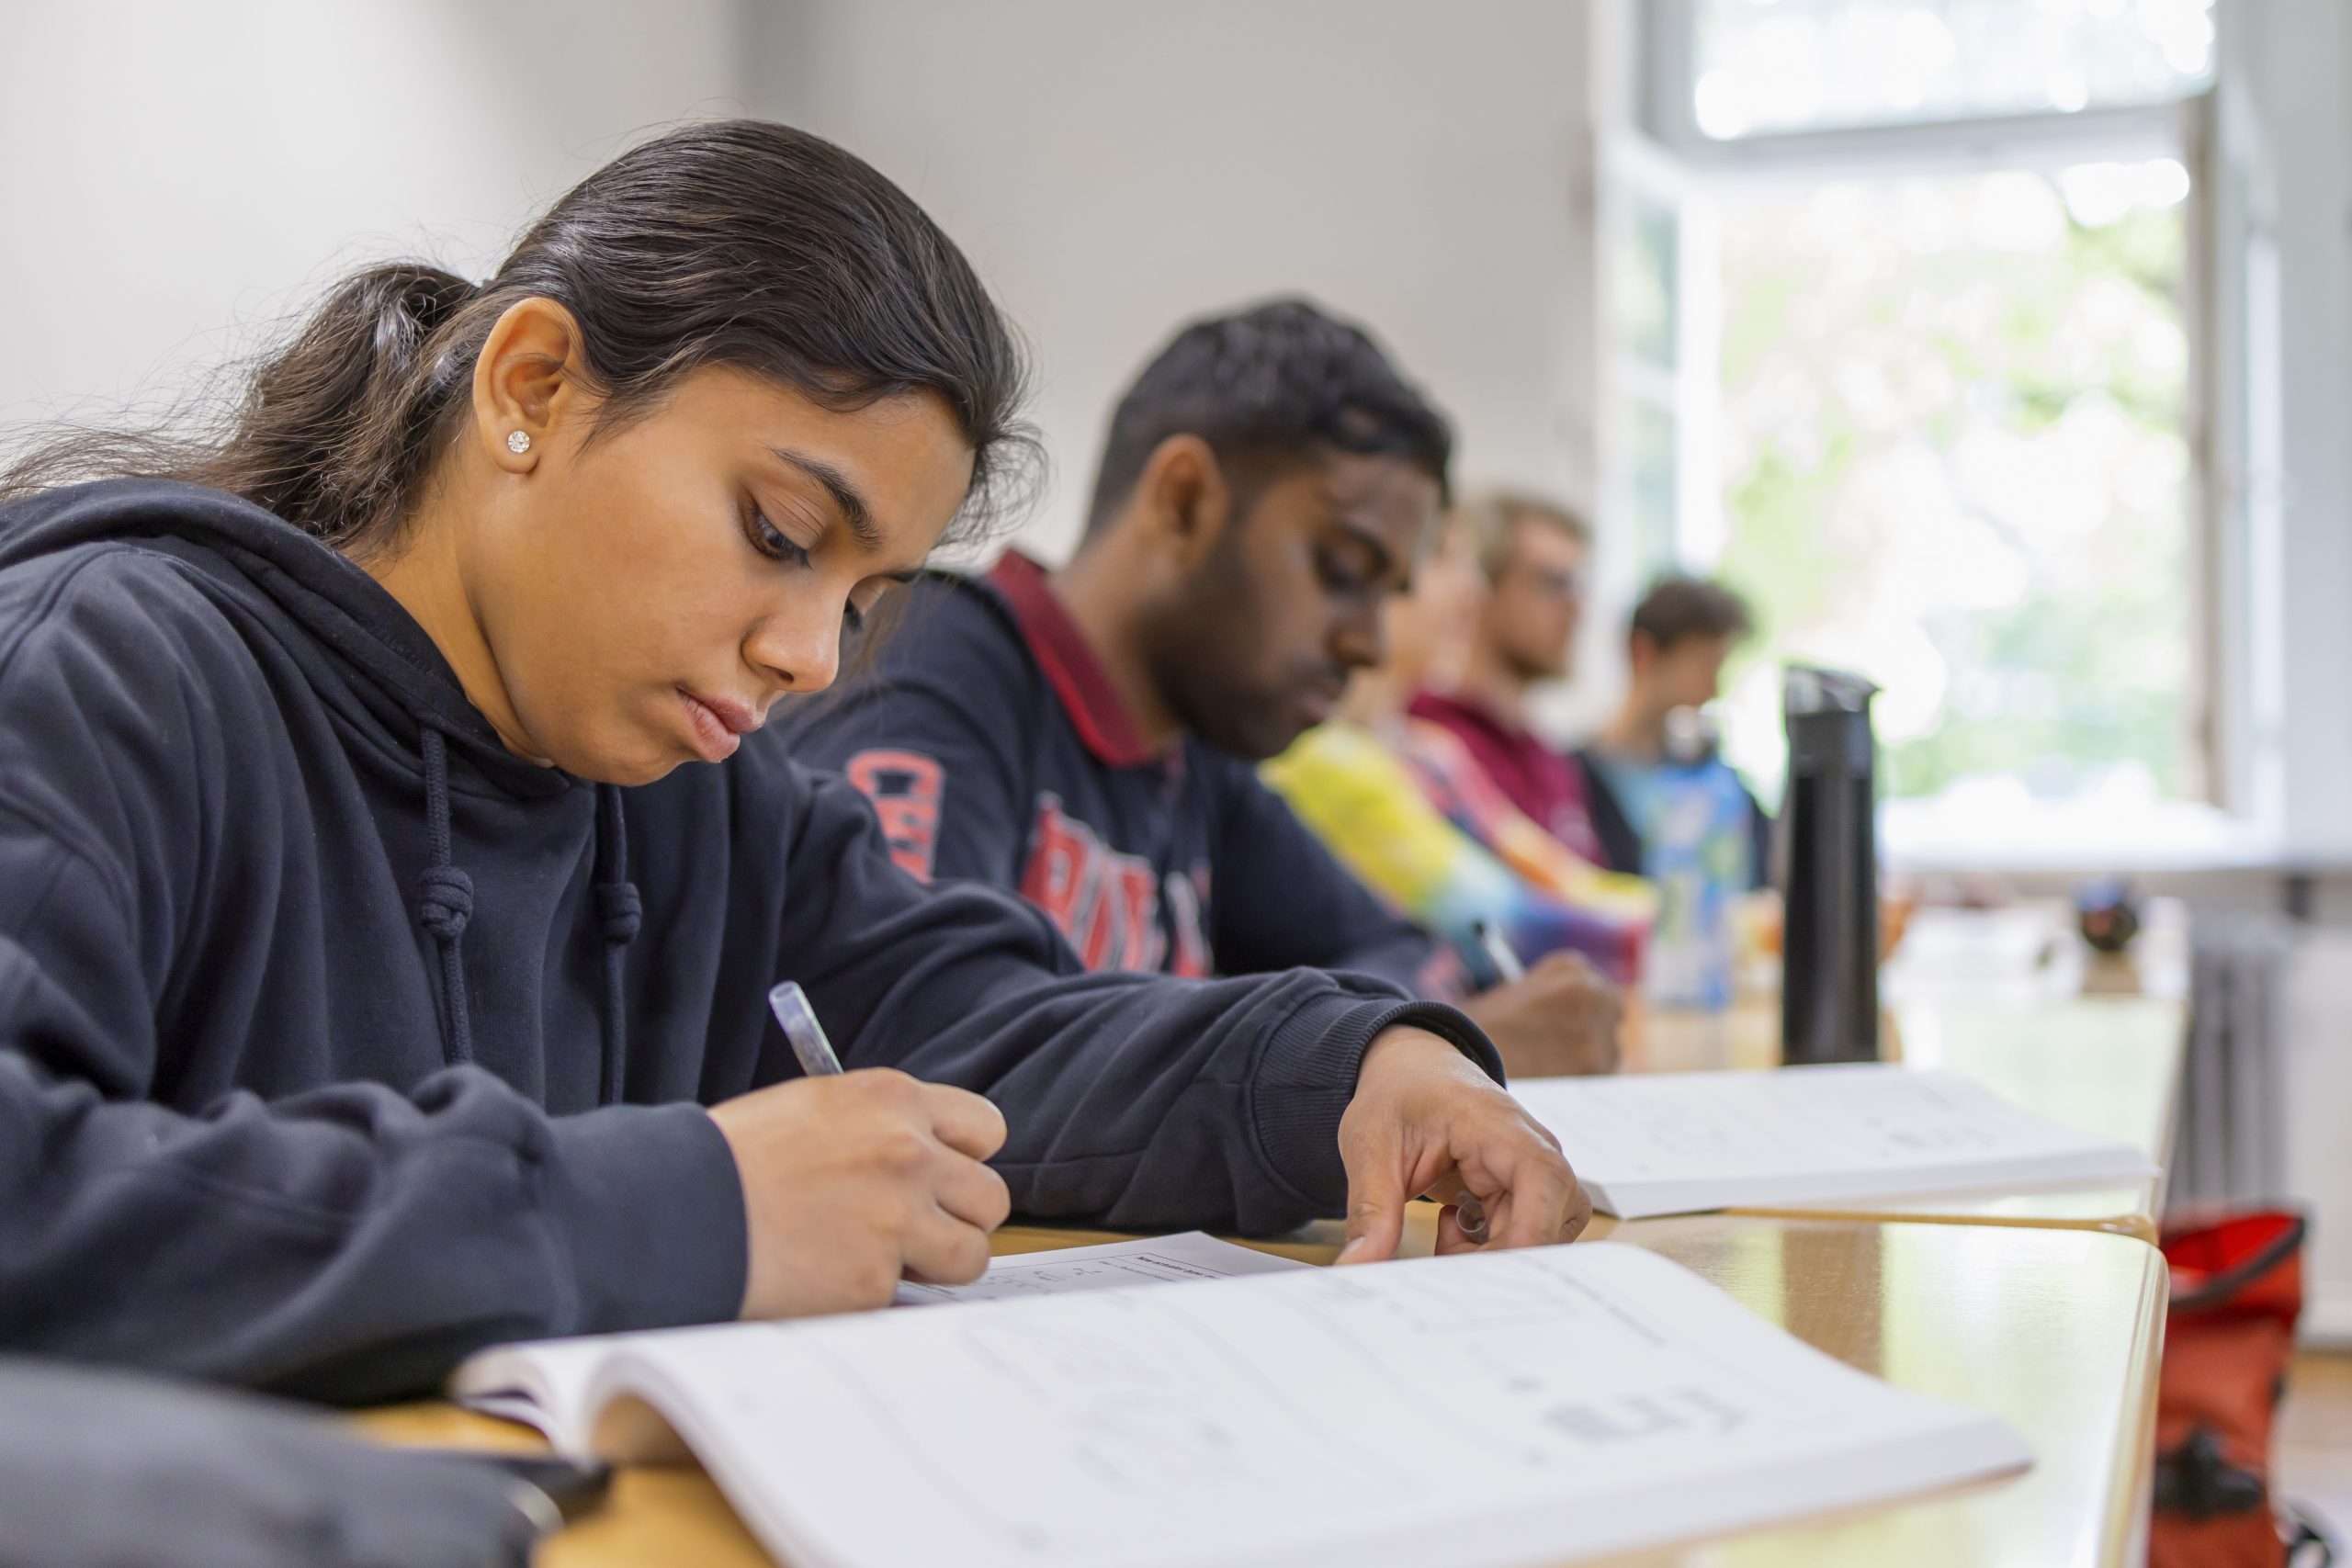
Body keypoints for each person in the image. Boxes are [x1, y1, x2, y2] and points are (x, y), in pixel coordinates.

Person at [0, 123, 1586, 1406]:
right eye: (778, 535)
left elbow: (989, 1030)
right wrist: (683, 1207)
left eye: (861, 596)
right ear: (531, 386)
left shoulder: (694, 790)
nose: (812, 657)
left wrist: (1365, 1071)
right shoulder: (111, 668)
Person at [781, 299, 1623, 1077]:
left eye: (1387, 595)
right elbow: (923, 1036)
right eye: (1341, 572)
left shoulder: (1196, 757)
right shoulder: (930, 666)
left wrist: (1393, 1039)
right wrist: (1373, 1051)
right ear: (1183, 502)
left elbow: (1393, 944)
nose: (1367, 642)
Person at [1262, 503, 1652, 1015]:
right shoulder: (1320, 759)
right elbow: (1511, 921)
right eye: (1440, 556)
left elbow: (1565, 880)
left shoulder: (1432, 753)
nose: (1473, 590)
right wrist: (1694, 927)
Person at [1408, 491, 1609, 863]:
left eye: (1579, 585)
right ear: (1481, 587)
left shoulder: (1552, 761)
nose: (1576, 608)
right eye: (1554, 582)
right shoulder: (1428, 738)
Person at [1578, 574, 1771, 886]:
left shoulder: (1722, 786)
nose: (1713, 690)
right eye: (1702, 664)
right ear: (1644, 653)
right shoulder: (1572, 783)